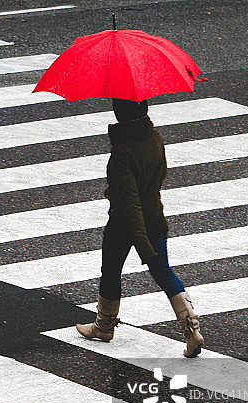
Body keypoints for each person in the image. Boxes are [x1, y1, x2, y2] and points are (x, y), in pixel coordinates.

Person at [75, 98, 204, 358]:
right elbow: (159, 176)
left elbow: (129, 203)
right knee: (164, 272)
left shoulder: (122, 153)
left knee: (111, 271)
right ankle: (191, 328)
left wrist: (142, 244)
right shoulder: (154, 139)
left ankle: (104, 325)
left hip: (125, 225)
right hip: (155, 216)